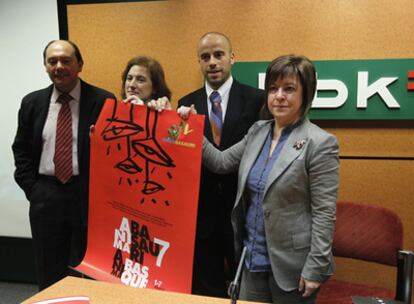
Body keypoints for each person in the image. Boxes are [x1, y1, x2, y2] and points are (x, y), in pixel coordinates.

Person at [179, 55, 339, 303]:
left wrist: (315, 267)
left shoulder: (320, 143)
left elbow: (324, 213)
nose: (279, 96)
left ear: (306, 94)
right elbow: (221, 163)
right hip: (251, 258)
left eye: (289, 89)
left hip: (292, 267)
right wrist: (190, 126)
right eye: (273, 89)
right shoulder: (257, 131)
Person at [12, 40, 115, 290]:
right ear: (46, 66)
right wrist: (34, 190)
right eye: (52, 61)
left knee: (92, 271)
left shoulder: (103, 101)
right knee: (49, 271)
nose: (59, 66)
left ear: (80, 64)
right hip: (46, 196)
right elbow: (21, 150)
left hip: (88, 198)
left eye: (66, 60)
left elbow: (115, 154)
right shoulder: (32, 103)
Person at [178, 32, 264, 297]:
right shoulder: (185, 104)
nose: (212, 62)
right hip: (201, 212)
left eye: (219, 55)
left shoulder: (257, 100)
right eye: (205, 57)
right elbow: (179, 152)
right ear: (199, 63)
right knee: (206, 287)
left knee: (246, 287)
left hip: (242, 208)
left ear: (232, 58)